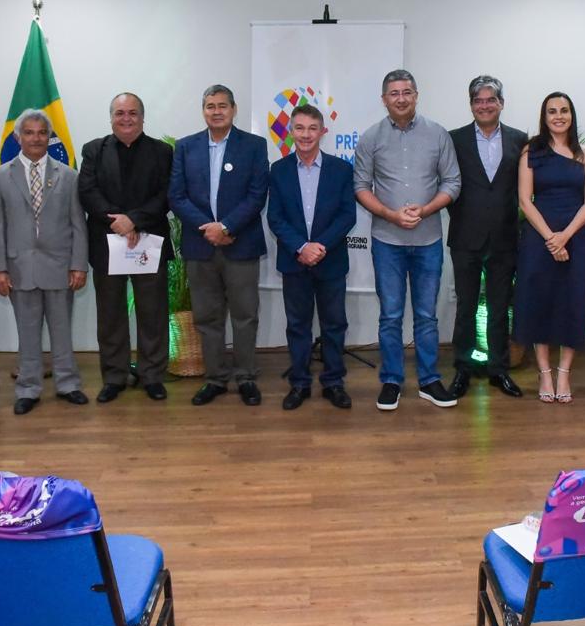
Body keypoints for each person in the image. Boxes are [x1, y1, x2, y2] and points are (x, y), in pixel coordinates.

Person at [354, 69, 461, 411]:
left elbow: (452, 182)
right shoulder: (371, 137)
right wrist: (390, 214)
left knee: (427, 315)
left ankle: (429, 380)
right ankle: (391, 380)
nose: (401, 98)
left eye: (407, 92)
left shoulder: (438, 134)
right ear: (384, 99)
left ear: (416, 96)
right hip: (387, 241)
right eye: (394, 93)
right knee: (391, 315)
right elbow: (360, 187)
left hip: (428, 240)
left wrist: (426, 209)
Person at [169, 84, 269, 407]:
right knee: (207, 317)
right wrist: (209, 229)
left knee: (245, 315)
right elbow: (177, 196)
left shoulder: (254, 145)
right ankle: (214, 378)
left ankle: (246, 377)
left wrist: (226, 227)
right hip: (200, 247)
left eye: (222, 105)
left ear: (234, 109)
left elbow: (257, 194)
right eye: (210, 106)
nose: (216, 111)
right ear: (203, 111)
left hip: (240, 244)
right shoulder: (186, 147)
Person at [0, 109, 89, 415]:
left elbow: (78, 224)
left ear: (50, 136)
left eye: (42, 132)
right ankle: (28, 388)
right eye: (29, 133)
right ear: (17, 137)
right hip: (19, 268)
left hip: (60, 266)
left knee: (62, 330)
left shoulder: (68, 175)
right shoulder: (0, 176)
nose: (36, 138)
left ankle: (68, 384)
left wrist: (79, 264)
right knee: (27, 331)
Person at [78, 92, 175, 404]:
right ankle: (114, 376)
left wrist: (134, 220)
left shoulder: (162, 152)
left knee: (153, 313)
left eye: (133, 113)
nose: (126, 118)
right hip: (107, 244)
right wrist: (118, 222)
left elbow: (167, 194)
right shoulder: (94, 149)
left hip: (149, 242)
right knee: (111, 314)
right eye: (120, 113)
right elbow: (88, 192)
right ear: (111, 118)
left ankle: (152, 375)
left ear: (143, 118)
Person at [266, 104, 357, 410]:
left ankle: (333, 382)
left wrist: (320, 246)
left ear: (322, 132)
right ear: (291, 131)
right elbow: (275, 217)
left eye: (312, 128)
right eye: (300, 128)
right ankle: (300, 383)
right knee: (297, 326)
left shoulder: (341, 169)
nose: (306, 135)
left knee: (334, 325)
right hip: (294, 261)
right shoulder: (278, 170)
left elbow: (347, 215)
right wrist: (301, 247)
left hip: (330, 260)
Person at [512, 92, 585, 403]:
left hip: (576, 236)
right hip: (539, 236)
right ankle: (545, 372)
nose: (558, 116)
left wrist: (566, 236)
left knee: (572, 302)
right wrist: (551, 238)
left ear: (572, 115)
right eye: (552, 111)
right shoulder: (531, 150)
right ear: (544, 117)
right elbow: (525, 200)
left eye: (564, 110)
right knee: (540, 302)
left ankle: (564, 373)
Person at [446, 75, 527, 399]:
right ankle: (463, 369)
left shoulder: (520, 140)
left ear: (501, 103)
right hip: (465, 236)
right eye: (478, 100)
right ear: (471, 105)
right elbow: (446, 184)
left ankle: (498, 369)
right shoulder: (454, 139)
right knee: (466, 307)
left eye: (490, 99)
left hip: (505, 237)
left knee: (499, 307)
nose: (484, 105)